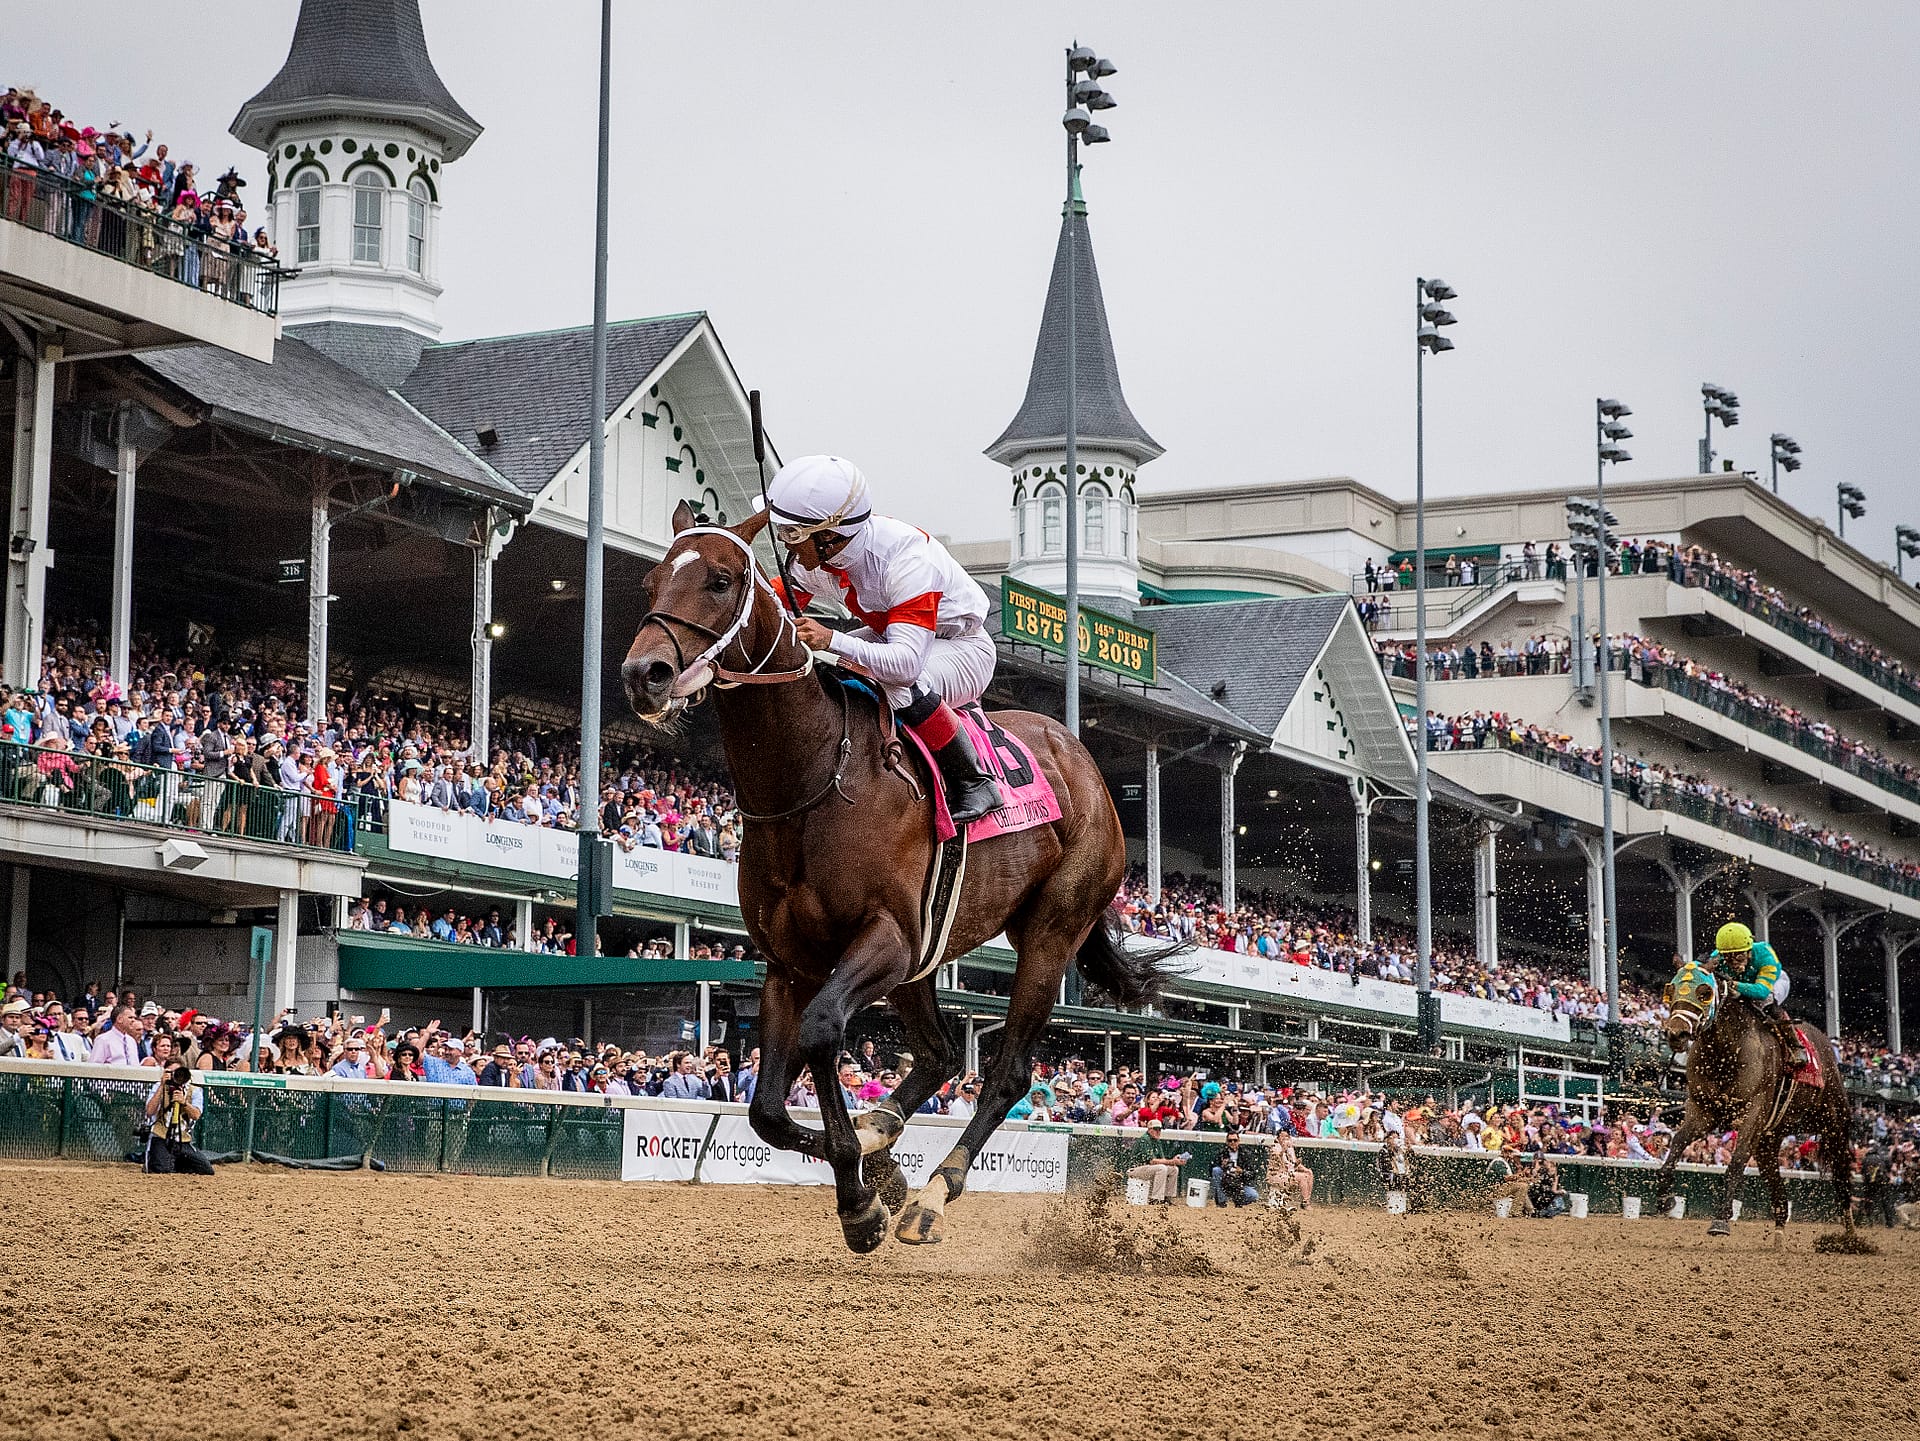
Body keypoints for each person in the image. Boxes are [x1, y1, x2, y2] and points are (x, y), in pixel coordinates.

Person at [767, 455, 1005, 822]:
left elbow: (906, 665)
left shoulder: (905, 561)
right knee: (820, 667)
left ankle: (974, 781)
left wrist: (831, 638)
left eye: (793, 535)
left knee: (899, 684)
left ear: (830, 536)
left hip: (963, 647)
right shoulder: (822, 558)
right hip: (892, 636)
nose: (787, 547)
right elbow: (771, 604)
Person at [1708, 921, 1805, 1066]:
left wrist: (1735, 986)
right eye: (1728, 958)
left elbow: (1761, 991)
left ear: (1749, 951)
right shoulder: (1716, 956)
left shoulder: (1766, 954)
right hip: (1741, 984)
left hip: (1774, 983)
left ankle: (1795, 1046)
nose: (1733, 963)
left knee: (1767, 1003)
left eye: (1739, 957)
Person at [143, 1063, 214, 1175]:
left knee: (205, 1169)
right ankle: (158, 1159)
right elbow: (149, 1111)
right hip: (161, 1136)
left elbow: (196, 1115)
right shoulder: (159, 1086)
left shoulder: (194, 1090)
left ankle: (176, 1163)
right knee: (160, 1170)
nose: (176, 1076)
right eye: (172, 1072)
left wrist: (184, 1103)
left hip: (182, 1139)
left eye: (179, 1072)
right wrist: (162, 1086)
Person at [1124, 1118, 1192, 1205]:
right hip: (1135, 1169)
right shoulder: (1144, 1139)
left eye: (1159, 1129)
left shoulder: (1157, 1141)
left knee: (1173, 1169)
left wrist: (1174, 1160)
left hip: (1148, 1169)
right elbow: (1152, 1161)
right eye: (1156, 1129)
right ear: (1149, 1130)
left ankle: (1167, 1198)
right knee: (1162, 1168)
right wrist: (1172, 1161)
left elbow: (1162, 1160)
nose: (1158, 1132)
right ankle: (1156, 1198)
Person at [1265, 1131, 1313, 1210]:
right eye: (1282, 1137)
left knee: (1309, 1173)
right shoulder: (1275, 1147)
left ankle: (1307, 1200)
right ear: (1278, 1138)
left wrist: (1303, 1168)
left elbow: (1292, 1164)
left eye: (1286, 1136)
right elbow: (1277, 1158)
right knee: (1302, 1177)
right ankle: (1305, 1203)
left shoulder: (1290, 1149)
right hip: (1276, 1175)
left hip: (1288, 1174)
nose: (1285, 1139)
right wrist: (1283, 1149)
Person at [1211, 1130, 1259, 1207]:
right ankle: (1222, 1202)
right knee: (1216, 1170)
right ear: (1227, 1142)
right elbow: (1211, 1169)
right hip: (1224, 1183)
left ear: (1239, 1141)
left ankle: (1238, 1201)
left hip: (1240, 1184)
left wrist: (1242, 1172)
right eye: (1230, 1140)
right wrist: (1222, 1166)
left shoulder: (1246, 1154)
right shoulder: (1221, 1153)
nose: (1232, 1142)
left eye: (1235, 1140)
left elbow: (1253, 1174)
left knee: (1254, 1195)